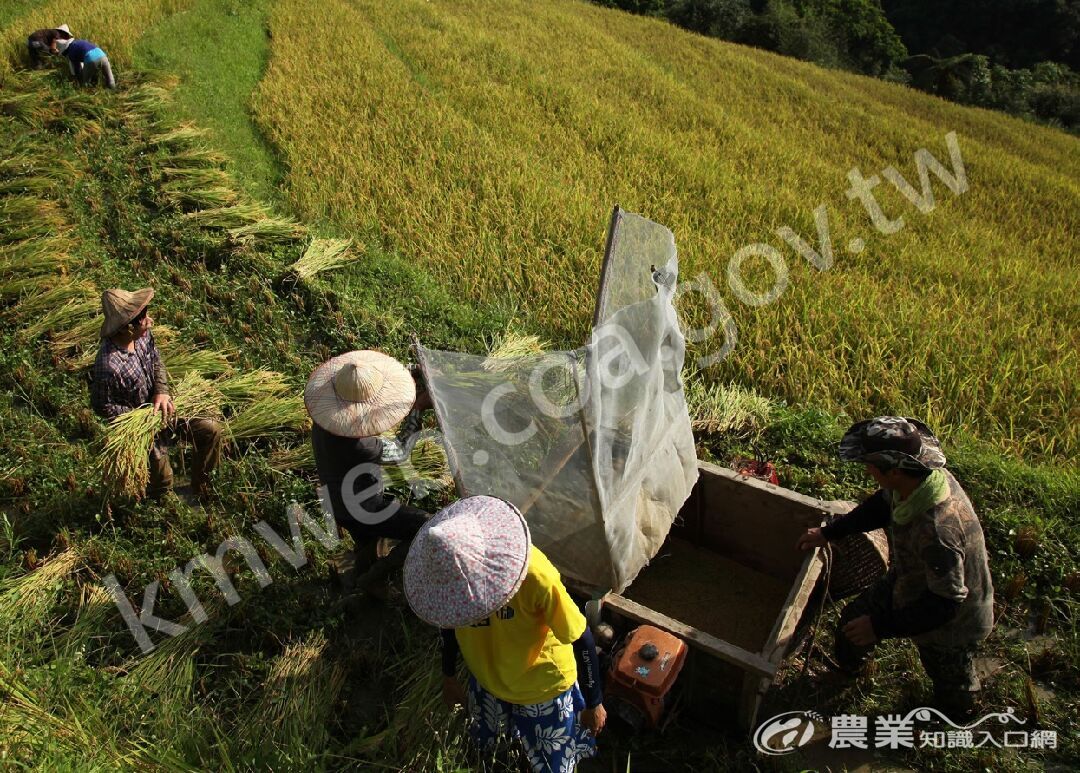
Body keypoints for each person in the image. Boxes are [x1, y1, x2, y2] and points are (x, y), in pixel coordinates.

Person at [797, 416, 994, 717]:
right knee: (853, 621)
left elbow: (945, 604)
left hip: (951, 619)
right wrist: (828, 533)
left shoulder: (939, 530)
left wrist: (879, 627)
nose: (867, 470)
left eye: (871, 466)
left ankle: (956, 716)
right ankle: (848, 672)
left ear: (895, 471)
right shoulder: (914, 481)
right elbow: (880, 507)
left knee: (950, 681)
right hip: (911, 578)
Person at [404, 495, 605, 773]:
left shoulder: (534, 574)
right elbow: (448, 631)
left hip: (542, 687)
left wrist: (594, 702)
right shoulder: (447, 588)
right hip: (488, 682)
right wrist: (449, 676)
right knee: (494, 751)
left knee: (550, 763)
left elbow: (580, 636)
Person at [304, 350, 432, 598]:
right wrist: (417, 409)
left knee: (366, 540)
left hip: (336, 503)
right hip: (361, 510)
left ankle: (363, 562)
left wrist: (409, 375)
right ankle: (370, 580)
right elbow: (400, 452)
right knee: (425, 525)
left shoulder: (326, 416)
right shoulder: (358, 445)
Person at [90, 287, 223, 501]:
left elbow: (156, 361)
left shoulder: (143, 336)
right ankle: (161, 511)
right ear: (126, 328)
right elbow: (102, 405)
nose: (148, 319)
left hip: (164, 408)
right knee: (162, 481)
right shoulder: (108, 365)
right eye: (142, 316)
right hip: (142, 425)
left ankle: (202, 491)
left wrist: (161, 392)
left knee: (210, 430)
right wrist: (142, 417)